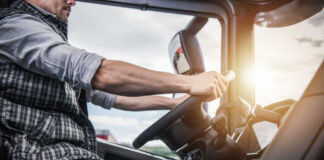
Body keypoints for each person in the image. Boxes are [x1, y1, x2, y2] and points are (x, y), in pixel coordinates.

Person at [0, 0, 228, 159]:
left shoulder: (46, 39)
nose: (73, 1)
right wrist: (190, 83)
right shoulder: (17, 27)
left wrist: (172, 104)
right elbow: (101, 74)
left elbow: (115, 97)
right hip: (38, 153)